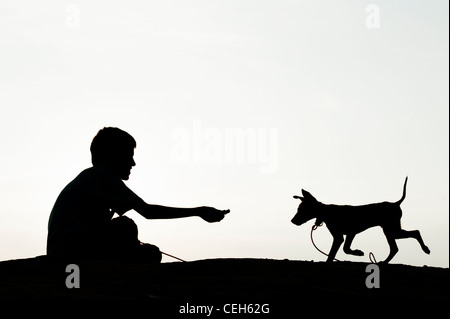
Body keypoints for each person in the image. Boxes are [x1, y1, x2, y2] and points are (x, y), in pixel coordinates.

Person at [46, 127, 229, 262]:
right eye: (129, 155)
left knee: (137, 241)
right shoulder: (102, 176)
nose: (133, 163)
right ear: (113, 155)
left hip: (66, 250)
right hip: (72, 254)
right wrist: (198, 211)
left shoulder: (94, 177)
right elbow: (148, 211)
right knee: (127, 228)